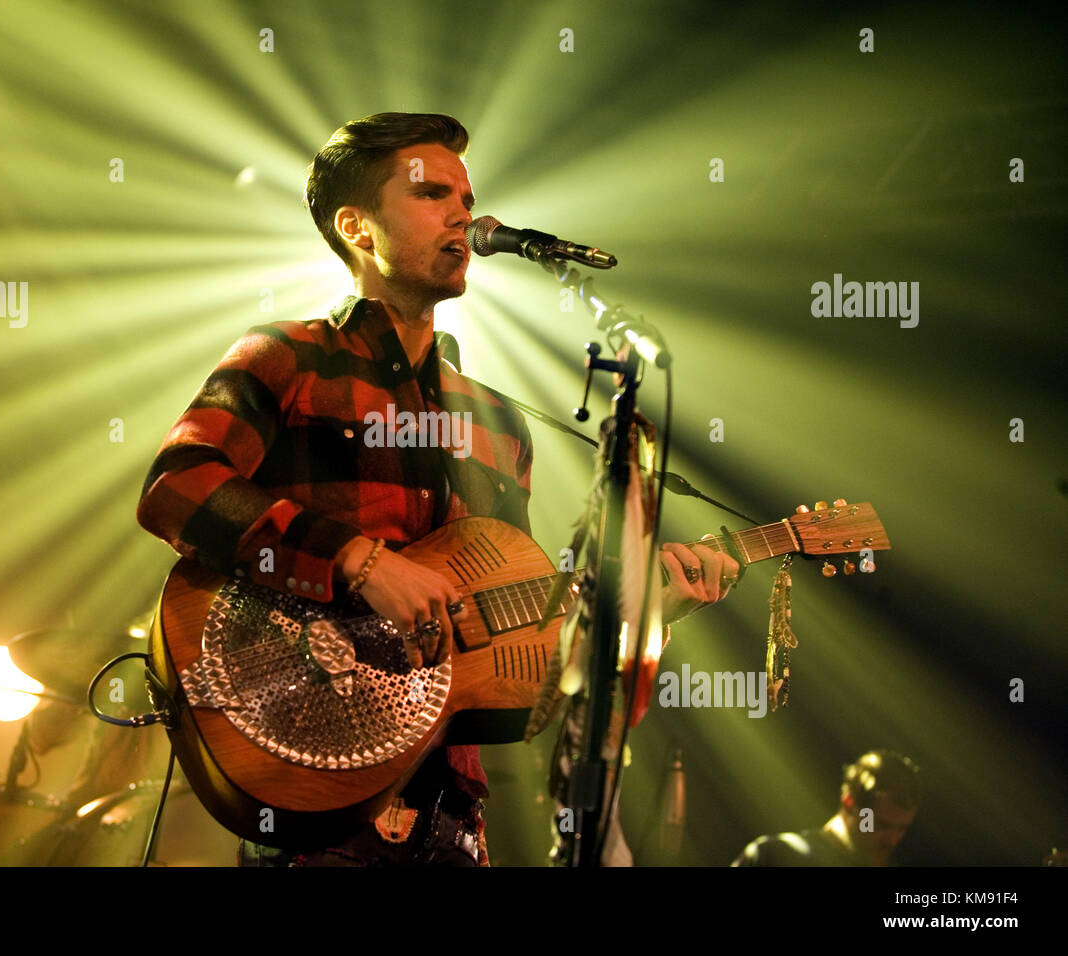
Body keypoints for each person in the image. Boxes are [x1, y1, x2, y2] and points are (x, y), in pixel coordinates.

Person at [137, 112, 737, 866]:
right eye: (432, 194)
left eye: (467, 195)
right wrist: (357, 560)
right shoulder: (285, 356)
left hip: (450, 807)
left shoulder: (498, 423)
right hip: (308, 773)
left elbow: (525, 641)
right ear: (357, 227)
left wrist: (639, 613)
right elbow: (175, 487)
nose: (464, 212)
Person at [732, 749, 921, 867]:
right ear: (849, 802)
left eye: (902, 829)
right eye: (882, 825)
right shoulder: (775, 856)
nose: (892, 840)